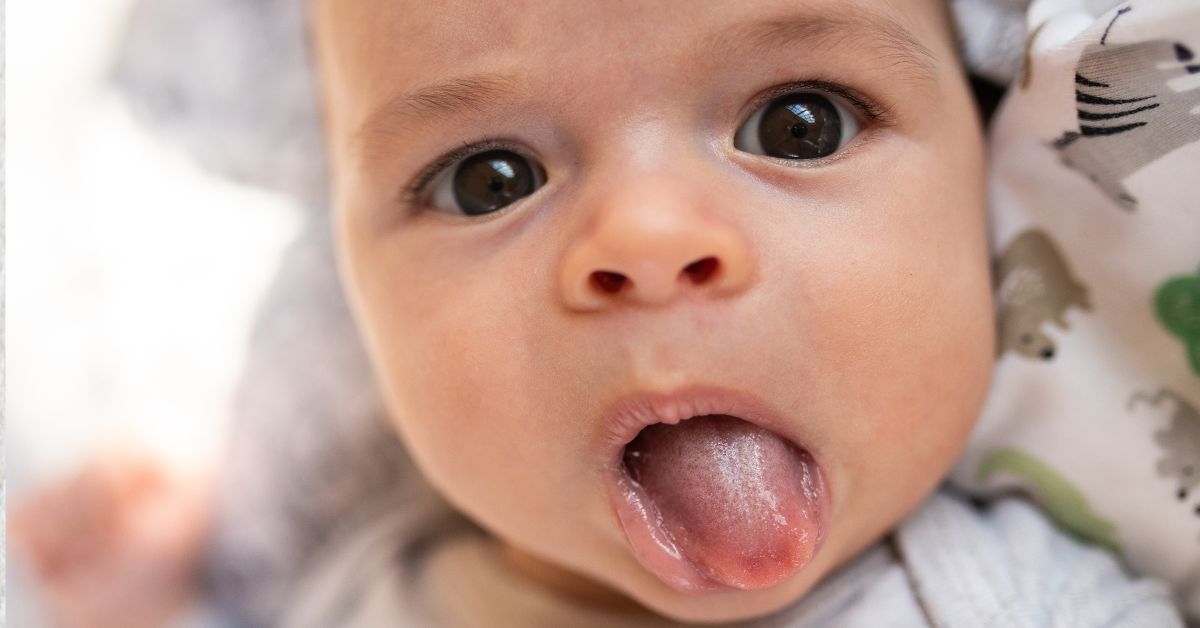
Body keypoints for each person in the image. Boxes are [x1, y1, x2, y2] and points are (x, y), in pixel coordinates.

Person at [11, 0, 1188, 626]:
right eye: (490, 179)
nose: (649, 241)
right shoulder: (358, 591)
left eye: (800, 124)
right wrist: (164, 590)